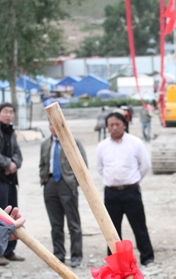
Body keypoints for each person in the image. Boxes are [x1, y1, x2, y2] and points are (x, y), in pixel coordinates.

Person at [97, 110, 154, 266]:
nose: (114, 127)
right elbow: (100, 168)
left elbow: (145, 165)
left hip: (131, 191)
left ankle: (147, 257)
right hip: (111, 193)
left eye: (117, 124)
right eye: (111, 125)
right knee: (112, 230)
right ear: (107, 127)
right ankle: (115, 260)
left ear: (124, 125)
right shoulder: (102, 146)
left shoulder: (135, 143)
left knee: (139, 225)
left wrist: (133, 180)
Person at [39, 122, 87, 268]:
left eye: (56, 124)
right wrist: (44, 179)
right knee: (55, 224)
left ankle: (76, 256)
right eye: (51, 124)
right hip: (50, 183)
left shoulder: (73, 142)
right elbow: (42, 164)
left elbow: (83, 165)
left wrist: (74, 182)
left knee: (73, 223)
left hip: (67, 184)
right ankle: (58, 255)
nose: (54, 128)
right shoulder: (45, 144)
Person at [0, 102, 24, 265]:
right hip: (1, 178)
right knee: (1, 215)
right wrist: (8, 164)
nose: (8, 115)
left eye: (11, 112)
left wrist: (14, 163)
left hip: (10, 179)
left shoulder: (12, 132)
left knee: (12, 213)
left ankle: (9, 251)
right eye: (5, 112)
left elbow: (18, 154)